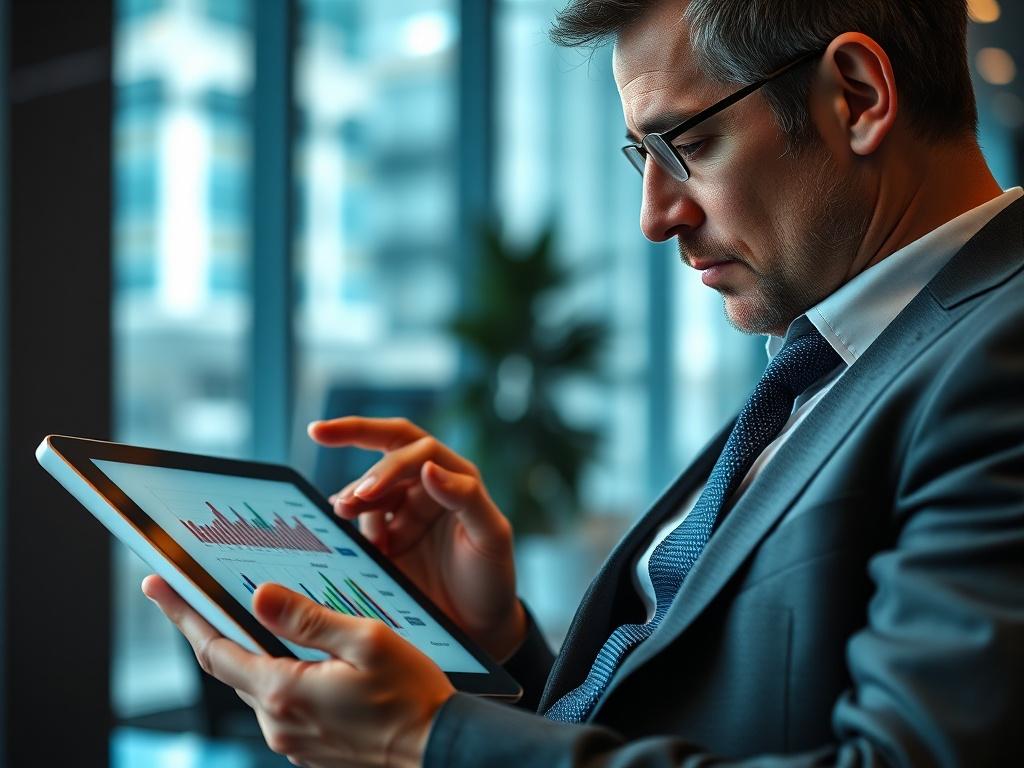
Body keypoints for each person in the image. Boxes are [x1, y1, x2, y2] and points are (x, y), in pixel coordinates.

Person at [143, 0, 1024, 765]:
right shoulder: (830, 358)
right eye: (640, 158)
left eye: (687, 144)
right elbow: (701, 714)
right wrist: (498, 651)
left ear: (857, 97)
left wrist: (426, 741)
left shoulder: (998, 354)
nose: (655, 216)